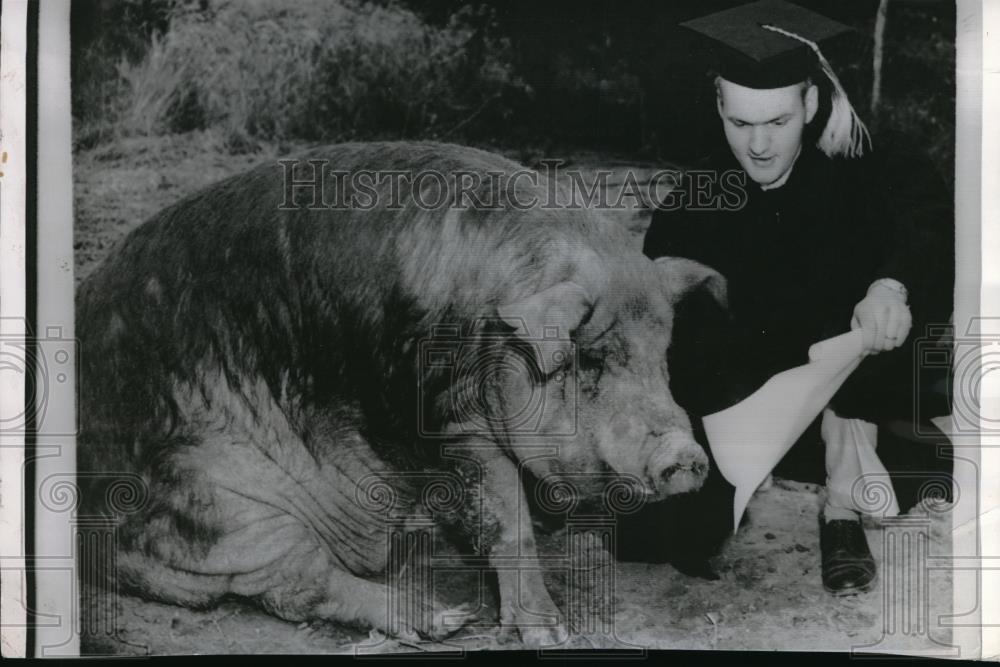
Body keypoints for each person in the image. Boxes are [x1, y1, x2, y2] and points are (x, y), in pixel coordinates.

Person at [639, 0, 954, 595]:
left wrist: (890, 285)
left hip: (853, 395)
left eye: (777, 122)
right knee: (662, 539)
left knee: (881, 318)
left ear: (810, 104)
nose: (758, 145)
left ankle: (842, 511)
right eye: (740, 124)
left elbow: (928, 220)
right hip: (749, 397)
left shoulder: (863, 174)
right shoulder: (698, 198)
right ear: (719, 109)